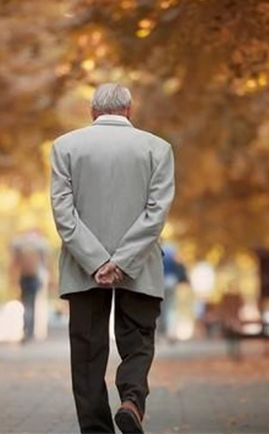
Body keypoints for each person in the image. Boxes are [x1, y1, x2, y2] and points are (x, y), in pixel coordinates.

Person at [50, 83, 175, 434]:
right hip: (139, 265)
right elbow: (156, 213)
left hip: (81, 265)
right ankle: (132, 401)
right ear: (129, 111)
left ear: (92, 112)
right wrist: (121, 261)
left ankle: (96, 429)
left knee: (88, 353)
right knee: (137, 339)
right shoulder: (158, 149)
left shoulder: (65, 147)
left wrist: (95, 261)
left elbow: (64, 214)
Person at [11, 230, 49, 343]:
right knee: (31, 306)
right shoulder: (39, 246)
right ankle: (30, 332)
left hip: (24, 277)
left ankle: (26, 330)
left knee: (26, 305)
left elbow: (14, 262)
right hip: (34, 277)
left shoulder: (21, 245)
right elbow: (45, 263)